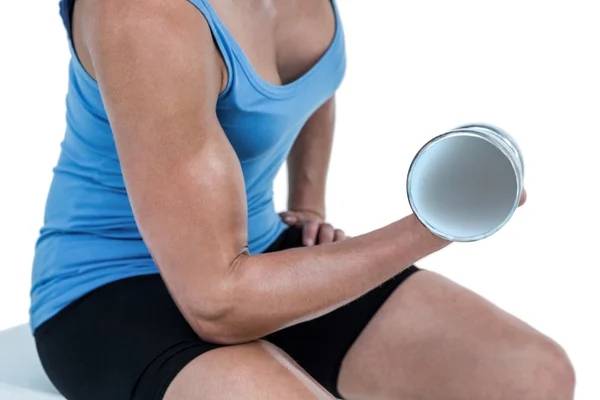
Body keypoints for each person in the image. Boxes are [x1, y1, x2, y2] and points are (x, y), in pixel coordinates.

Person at [30, 0, 575, 398]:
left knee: (533, 376)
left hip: (255, 251)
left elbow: (315, 76)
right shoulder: (145, 15)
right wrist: (433, 226)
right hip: (109, 291)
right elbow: (217, 304)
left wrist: (308, 205)